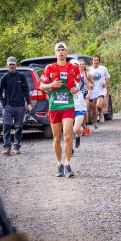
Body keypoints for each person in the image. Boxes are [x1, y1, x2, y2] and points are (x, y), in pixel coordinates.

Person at [39, 43, 81, 178]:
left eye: (63, 50)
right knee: (56, 138)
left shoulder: (73, 67)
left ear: (66, 53)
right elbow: (41, 86)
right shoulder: (49, 68)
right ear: (55, 53)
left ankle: (68, 164)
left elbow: (79, 82)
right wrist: (51, 85)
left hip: (68, 105)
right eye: (58, 50)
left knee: (67, 136)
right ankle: (59, 164)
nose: (61, 52)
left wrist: (77, 88)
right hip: (54, 106)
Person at [0, 56, 32, 155]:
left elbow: (26, 91)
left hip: (20, 106)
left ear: (16, 65)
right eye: (10, 64)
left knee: (19, 127)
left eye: (13, 64)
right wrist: (4, 104)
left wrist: (28, 103)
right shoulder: (4, 78)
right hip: (8, 106)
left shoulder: (21, 76)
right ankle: (7, 147)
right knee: (6, 126)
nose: (12, 66)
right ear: (7, 65)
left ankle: (16, 147)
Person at [69, 59, 92, 148]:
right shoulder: (66, 79)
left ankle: (78, 136)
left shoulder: (83, 78)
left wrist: (88, 95)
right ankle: (70, 149)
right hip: (69, 106)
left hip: (79, 106)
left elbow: (89, 89)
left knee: (76, 129)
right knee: (69, 131)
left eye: (76, 66)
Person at [88, 55, 110, 133]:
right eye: (95, 60)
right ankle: (95, 125)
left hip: (101, 90)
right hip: (92, 91)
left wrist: (105, 83)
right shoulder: (89, 70)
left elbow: (108, 77)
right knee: (93, 110)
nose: (96, 61)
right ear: (92, 61)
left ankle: (100, 113)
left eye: (97, 60)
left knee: (98, 105)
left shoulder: (103, 68)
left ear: (99, 61)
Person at [78, 58, 94, 136]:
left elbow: (93, 84)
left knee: (85, 110)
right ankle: (82, 126)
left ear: (84, 65)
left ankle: (86, 126)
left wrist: (89, 93)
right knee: (79, 111)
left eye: (82, 64)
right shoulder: (75, 74)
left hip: (85, 94)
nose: (81, 66)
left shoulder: (87, 74)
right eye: (80, 64)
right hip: (77, 95)